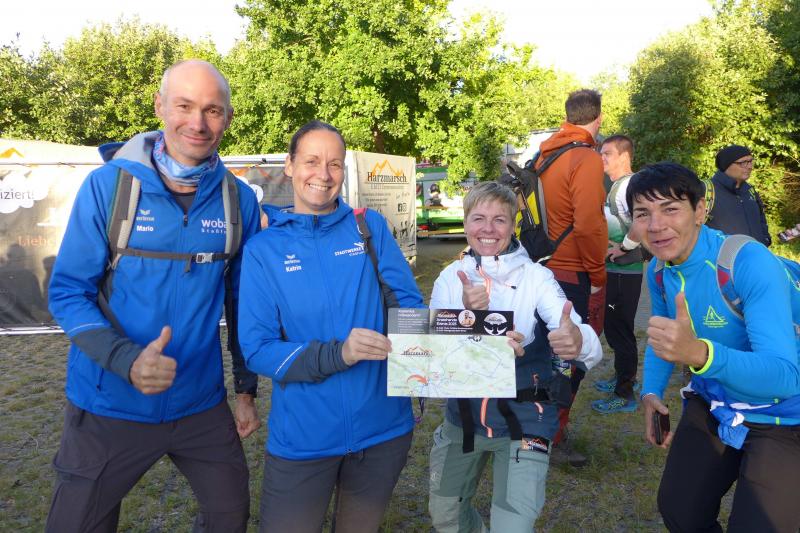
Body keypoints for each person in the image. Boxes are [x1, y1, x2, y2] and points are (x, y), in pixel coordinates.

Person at [46, 60, 262, 532]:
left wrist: (245, 390)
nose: (197, 123)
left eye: (212, 110)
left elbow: (242, 303)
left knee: (230, 516)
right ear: (160, 106)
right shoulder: (109, 187)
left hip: (199, 403)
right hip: (108, 403)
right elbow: (67, 292)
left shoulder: (238, 200)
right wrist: (126, 361)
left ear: (227, 118)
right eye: (184, 106)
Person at [238, 120, 424, 533]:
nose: (323, 174)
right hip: (303, 440)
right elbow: (257, 349)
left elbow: (409, 309)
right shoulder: (263, 250)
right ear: (289, 166)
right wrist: (339, 354)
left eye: (334, 164)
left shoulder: (368, 227)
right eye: (311, 161)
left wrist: (478, 340)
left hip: (383, 431)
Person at [630, 162, 800, 532]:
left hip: (786, 415)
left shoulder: (747, 262)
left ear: (700, 211)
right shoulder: (659, 270)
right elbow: (664, 337)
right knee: (681, 511)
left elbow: (785, 376)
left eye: (670, 209)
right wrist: (651, 393)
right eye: (643, 213)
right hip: (716, 401)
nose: (656, 225)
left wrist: (700, 354)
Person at [427, 182, 602, 532]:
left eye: (500, 220)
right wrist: (464, 315)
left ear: (513, 226)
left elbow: (584, 339)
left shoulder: (537, 277)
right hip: (463, 418)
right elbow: (430, 351)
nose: (488, 229)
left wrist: (577, 340)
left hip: (525, 421)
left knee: (513, 528)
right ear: (465, 222)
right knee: (446, 516)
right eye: (479, 218)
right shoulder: (449, 277)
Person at [536, 88, 607, 465]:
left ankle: (535, 427)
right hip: (573, 271)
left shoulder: (544, 155)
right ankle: (550, 436)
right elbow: (589, 225)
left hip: (541, 266)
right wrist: (597, 275)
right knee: (571, 355)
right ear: (599, 118)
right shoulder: (585, 157)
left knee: (544, 353)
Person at [592, 135, 643, 414]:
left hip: (625, 272)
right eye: (601, 153)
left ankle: (624, 395)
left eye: (608, 153)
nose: (602, 158)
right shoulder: (618, 185)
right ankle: (624, 377)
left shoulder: (628, 185)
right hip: (617, 271)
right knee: (616, 329)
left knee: (619, 331)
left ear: (624, 156)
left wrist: (623, 247)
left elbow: (643, 221)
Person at [706, 144, 771, 246]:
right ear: (726, 165)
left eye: (750, 161)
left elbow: (761, 219)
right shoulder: (706, 191)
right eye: (743, 163)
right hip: (722, 255)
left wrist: (765, 240)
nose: (750, 167)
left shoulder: (750, 190)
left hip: (755, 254)